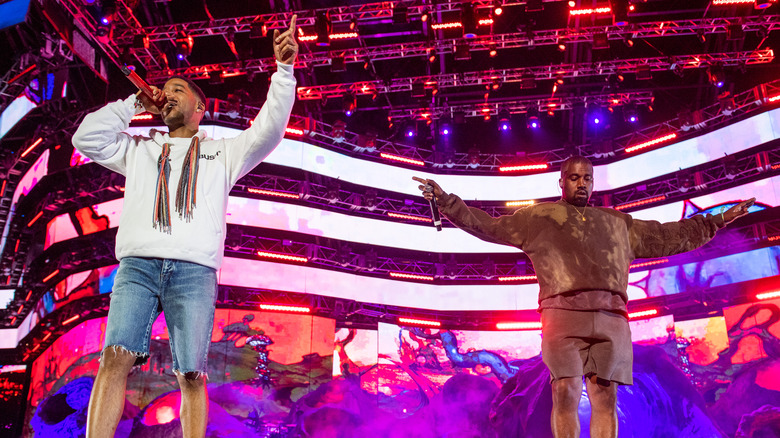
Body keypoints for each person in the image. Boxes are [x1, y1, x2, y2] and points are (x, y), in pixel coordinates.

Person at [413, 156, 754, 438]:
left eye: (587, 178)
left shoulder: (618, 223)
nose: (581, 183)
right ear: (561, 182)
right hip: (563, 313)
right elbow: (488, 225)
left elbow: (671, 236)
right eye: (574, 177)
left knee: (605, 395)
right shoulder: (538, 218)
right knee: (565, 391)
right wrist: (447, 203)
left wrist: (718, 219)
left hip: (611, 317)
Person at [72, 16, 299, 438]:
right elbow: (85, 139)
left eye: (179, 90)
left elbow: (269, 130)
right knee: (113, 358)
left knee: (191, 374)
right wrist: (132, 105)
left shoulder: (223, 153)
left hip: (193, 272)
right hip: (138, 266)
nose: (168, 94)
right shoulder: (138, 150)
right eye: (165, 90)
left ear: (200, 108)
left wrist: (283, 72)